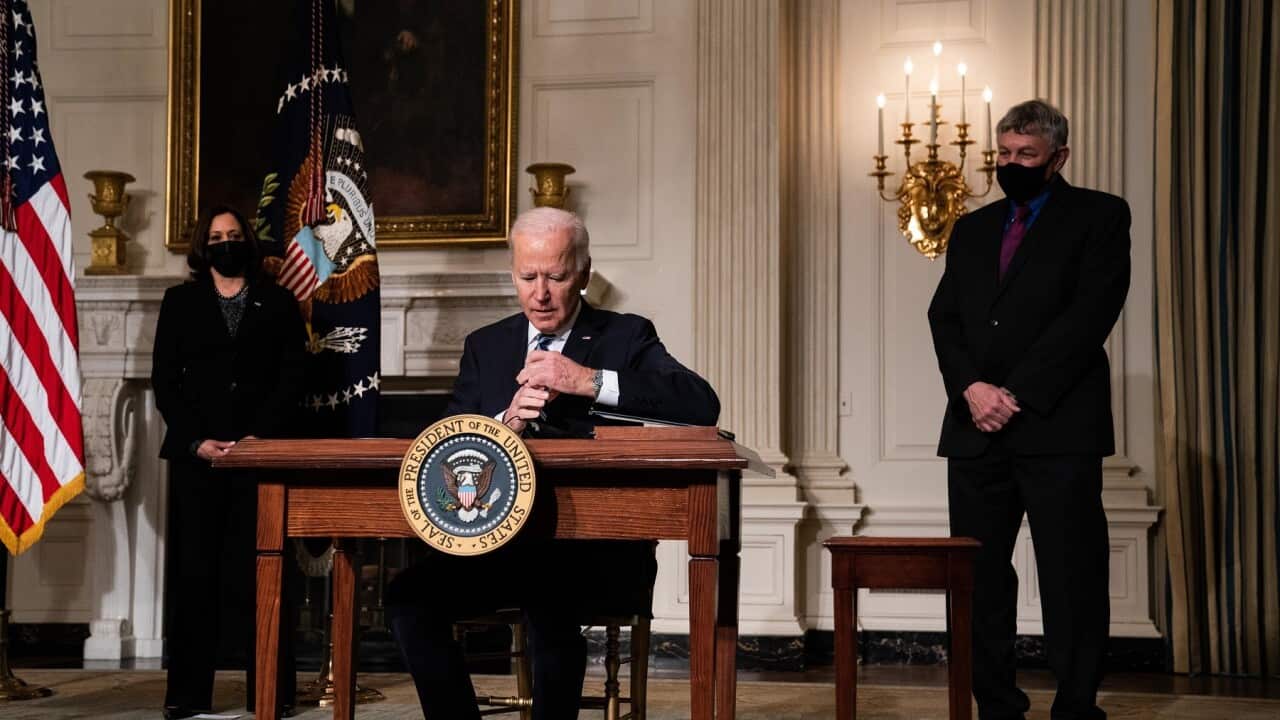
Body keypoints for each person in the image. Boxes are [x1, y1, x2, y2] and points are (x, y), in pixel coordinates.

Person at [386, 206, 720, 719]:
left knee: (549, 589)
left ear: (584, 273)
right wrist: (504, 423)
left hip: (598, 549)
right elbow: (445, 446)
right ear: (513, 273)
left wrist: (586, 379)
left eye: (557, 276)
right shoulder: (486, 346)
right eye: (528, 276)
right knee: (409, 596)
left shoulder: (626, 336)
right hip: (502, 545)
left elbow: (700, 403)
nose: (540, 293)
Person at [927, 100, 1130, 720]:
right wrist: (972, 389)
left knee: (1071, 576)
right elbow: (946, 317)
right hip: (975, 430)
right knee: (980, 580)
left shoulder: (1098, 216)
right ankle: (996, 704)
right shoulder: (973, 227)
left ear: (1058, 157)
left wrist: (1013, 394)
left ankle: (1075, 706)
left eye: (1027, 156)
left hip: (1057, 425)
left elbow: (1090, 315)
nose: (1011, 164)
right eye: (1004, 154)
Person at [152, 204, 308, 720]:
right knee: (195, 578)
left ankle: (270, 693)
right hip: (198, 460)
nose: (226, 241)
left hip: (260, 457)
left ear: (248, 241)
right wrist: (196, 440)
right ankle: (187, 696)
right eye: (217, 236)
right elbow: (165, 382)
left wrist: (255, 438)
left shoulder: (280, 302)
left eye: (234, 234)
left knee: (264, 577)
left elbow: (292, 378)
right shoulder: (179, 302)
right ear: (203, 245)